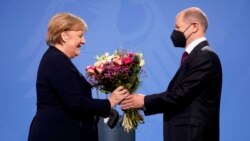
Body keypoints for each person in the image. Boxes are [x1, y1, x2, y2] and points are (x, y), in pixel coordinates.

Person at [121, 7, 222, 141]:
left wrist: (144, 101)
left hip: (193, 135)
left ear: (194, 27)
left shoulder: (204, 56)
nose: (174, 32)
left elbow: (180, 94)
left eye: (177, 27)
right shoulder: (197, 55)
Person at [28, 13, 129, 141]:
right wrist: (109, 102)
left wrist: (103, 110)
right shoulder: (56, 61)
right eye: (80, 35)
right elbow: (77, 104)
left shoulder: (57, 59)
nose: (83, 41)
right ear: (64, 36)